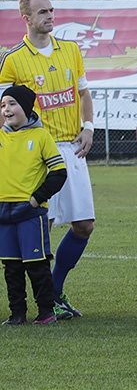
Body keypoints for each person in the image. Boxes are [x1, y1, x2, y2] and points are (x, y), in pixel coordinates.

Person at [0, 0, 97, 320]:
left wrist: (88, 126)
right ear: (26, 19)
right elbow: (4, 111)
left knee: (84, 225)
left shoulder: (70, 50)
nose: (50, 16)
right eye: (43, 12)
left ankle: (54, 291)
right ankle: (37, 304)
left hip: (71, 147)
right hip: (35, 152)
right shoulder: (13, 59)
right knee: (42, 225)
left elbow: (83, 93)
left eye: (52, 10)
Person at [0, 85, 67, 325]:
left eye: (12, 103)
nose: (7, 109)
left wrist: (36, 198)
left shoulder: (40, 136)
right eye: (3, 105)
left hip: (29, 212)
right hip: (2, 213)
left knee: (36, 265)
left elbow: (59, 172)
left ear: (26, 108)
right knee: (11, 267)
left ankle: (46, 311)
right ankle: (17, 313)